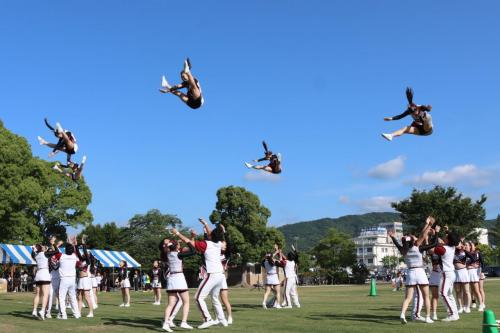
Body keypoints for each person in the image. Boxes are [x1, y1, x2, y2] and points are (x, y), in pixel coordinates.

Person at [171, 218, 228, 329]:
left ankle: (208, 319)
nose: (208, 232)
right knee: (215, 298)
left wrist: (177, 233)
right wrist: (205, 223)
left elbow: (189, 242)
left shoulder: (206, 244)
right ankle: (223, 320)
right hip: (220, 275)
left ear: (211, 235)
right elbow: (213, 234)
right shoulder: (219, 243)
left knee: (198, 297)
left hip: (212, 274)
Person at [389, 216, 437, 324]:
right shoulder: (418, 247)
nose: (415, 237)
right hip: (420, 272)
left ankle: (402, 314)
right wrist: (429, 224)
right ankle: (428, 317)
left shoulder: (404, 250)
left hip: (410, 272)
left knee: (408, 297)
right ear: (413, 241)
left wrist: (392, 237)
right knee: (426, 296)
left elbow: (397, 244)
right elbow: (423, 234)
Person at [160, 239, 196, 332]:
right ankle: (184, 322)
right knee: (186, 301)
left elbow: (165, 249)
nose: (179, 246)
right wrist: (188, 241)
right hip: (179, 278)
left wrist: (170, 244)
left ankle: (166, 323)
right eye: (178, 245)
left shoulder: (167, 254)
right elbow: (193, 251)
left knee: (170, 304)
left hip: (171, 278)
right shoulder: (179, 255)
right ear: (176, 247)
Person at [31, 239, 60, 320]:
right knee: (45, 294)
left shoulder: (36, 255)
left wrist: (33, 249)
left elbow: (33, 253)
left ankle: (34, 310)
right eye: (42, 246)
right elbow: (57, 251)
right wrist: (53, 244)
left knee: (37, 294)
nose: (44, 246)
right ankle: (42, 310)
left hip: (38, 274)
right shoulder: (45, 254)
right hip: (44, 273)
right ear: (41, 248)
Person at [54, 237, 81, 320]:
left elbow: (56, 251)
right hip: (72, 279)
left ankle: (63, 315)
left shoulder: (61, 256)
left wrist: (55, 244)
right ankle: (76, 314)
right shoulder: (74, 256)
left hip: (64, 279)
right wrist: (74, 244)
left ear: (65, 250)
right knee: (73, 297)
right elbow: (76, 254)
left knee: (62, 298)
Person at [437, 227, 461, 321]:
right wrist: (447, 231)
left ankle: (452, 314)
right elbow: (454, 239)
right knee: (449, 294)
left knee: (442, 293)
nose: (445, 237)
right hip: (451, 273)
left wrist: (436, 236)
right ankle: (455, 314)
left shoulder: (444, 248)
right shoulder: (452, 247)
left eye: (446, 237)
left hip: (446, 273)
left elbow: (434, 249)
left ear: (448, 240)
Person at [75, 236, 94, 317]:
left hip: (86, 279)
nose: (83, 254)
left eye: (85, 254)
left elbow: (85, 252)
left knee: (87, 296)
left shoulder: (88, 261)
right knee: (79, 296)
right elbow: (78, 253)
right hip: (80, 279)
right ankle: (78, 312)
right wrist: (76, 245)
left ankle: (91, 312)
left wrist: (83, 243)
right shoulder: (81, 260)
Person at [262, 244, 285, 309]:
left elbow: (269, 258)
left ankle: (264, 302)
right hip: (274, 277)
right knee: (278, 292)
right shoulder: (275, 262)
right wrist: (279, 254)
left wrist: (276, 252)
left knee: (267, 292)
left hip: (268, 277)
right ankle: (278, 304)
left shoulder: (264, 262)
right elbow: (281, 263)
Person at [453, 241, 472, 314]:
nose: (458, 245)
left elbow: (473, 258)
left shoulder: (465, 252)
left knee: (466, 291)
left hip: (463, 272)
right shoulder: (453, 251)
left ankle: (467, 307)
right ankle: (460, 307)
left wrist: (466, 265)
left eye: (459, 244)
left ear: (462, 245)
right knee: (458, 291)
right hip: (456, 272)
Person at [466, 242, 484, 312]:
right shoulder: (465, 253)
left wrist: (470, 266)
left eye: (467, 245)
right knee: (469, 290)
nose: (465, 246)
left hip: (472, 273)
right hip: (466, 273)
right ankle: (468, 305)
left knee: (476, 290)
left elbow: (475, 261)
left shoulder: (473, 254)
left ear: (470, 247)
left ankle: (481, 304)